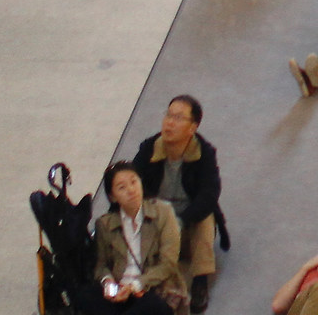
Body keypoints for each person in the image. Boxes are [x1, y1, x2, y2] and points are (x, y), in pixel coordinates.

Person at [128, 96, 224, 313]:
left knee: (206, 218)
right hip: (156, 226)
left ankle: (199, 281)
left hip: (186, 227)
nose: (169, 122)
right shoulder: (149, 149)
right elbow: (131, 185)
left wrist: (180, 221)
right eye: (168, 115)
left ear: (193, 127)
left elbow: (210, 194)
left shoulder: (204, 154)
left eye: (178, 118)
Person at [87, 161, 183, 315]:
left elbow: (168, 264)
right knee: (86, 296)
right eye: (122, 187)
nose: (131, 190)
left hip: (153, 288)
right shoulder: (104, 224)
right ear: (112, 197)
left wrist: (135, 285)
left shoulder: (163, 213)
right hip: (120, 289)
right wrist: (108, 281)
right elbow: (101, 265)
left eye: (134, 181)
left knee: (152, 305)